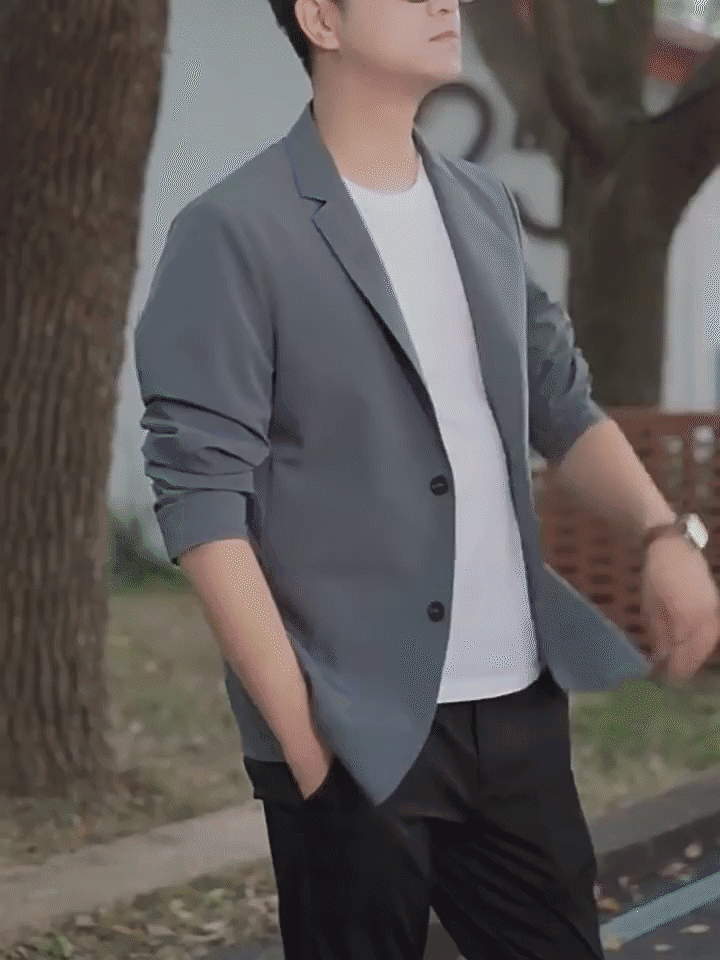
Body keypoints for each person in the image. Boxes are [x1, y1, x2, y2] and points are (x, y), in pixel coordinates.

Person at [133, 1, 720, 957]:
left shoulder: (481, 206)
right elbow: (203, 505)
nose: (444, 0)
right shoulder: (232, 232)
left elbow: (560, 403)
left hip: (516, 710)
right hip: (352, 724)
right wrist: (307, 745)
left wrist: (663, 535)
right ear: (321, 18)